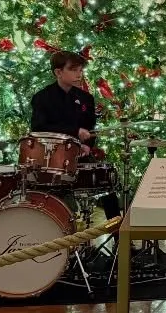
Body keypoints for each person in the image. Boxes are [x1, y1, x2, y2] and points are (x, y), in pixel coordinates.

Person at [28, 51, 122, 218]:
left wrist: (86, 146)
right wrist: (74, 131)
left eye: (80, 70)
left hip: (79, 156)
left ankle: (117, 231)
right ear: (58, 72)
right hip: (51, 158)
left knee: (106, 182)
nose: (79, 75)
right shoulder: (42, 98)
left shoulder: (86, 98)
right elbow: (39, 128)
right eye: (73, 70)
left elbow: (90, 128)